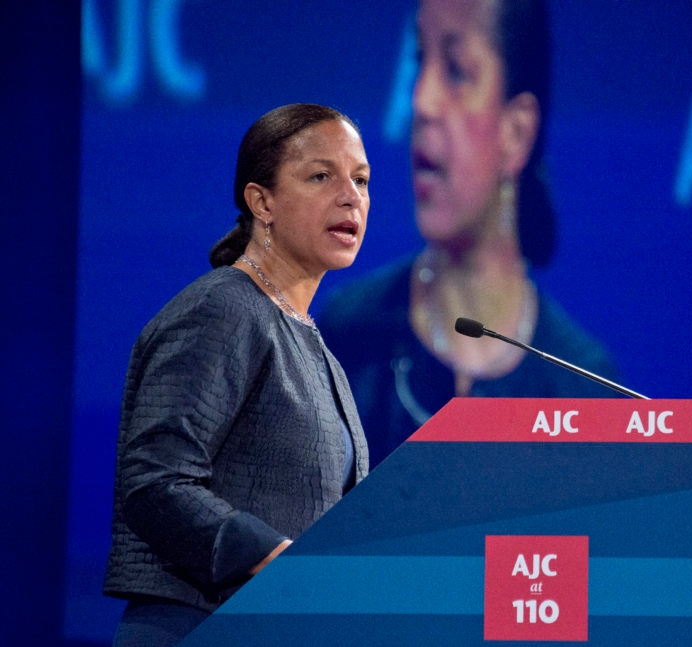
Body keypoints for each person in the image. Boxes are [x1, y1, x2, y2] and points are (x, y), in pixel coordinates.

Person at [103, 103, 371, 646]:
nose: (351, 196)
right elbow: (156, 481)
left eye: (361, 180)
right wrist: (279, 562)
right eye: (321, 175)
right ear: (261, 201)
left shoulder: (310, 342)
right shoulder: (223, 309)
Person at [319, 0, 618, 470]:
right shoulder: (346, 339)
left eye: (456, 72)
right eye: (421, 61)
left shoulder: (585, 393)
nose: (421, 100)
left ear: (516, 133)